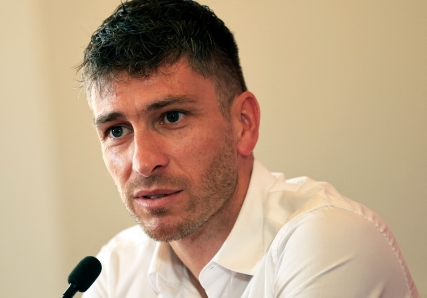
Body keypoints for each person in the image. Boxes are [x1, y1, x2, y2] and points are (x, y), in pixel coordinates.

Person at [77, 0, 419, 297]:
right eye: (117, 130)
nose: (143, 162)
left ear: (244, 123)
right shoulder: (114, 269)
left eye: (171, 117)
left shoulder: (330, 241)